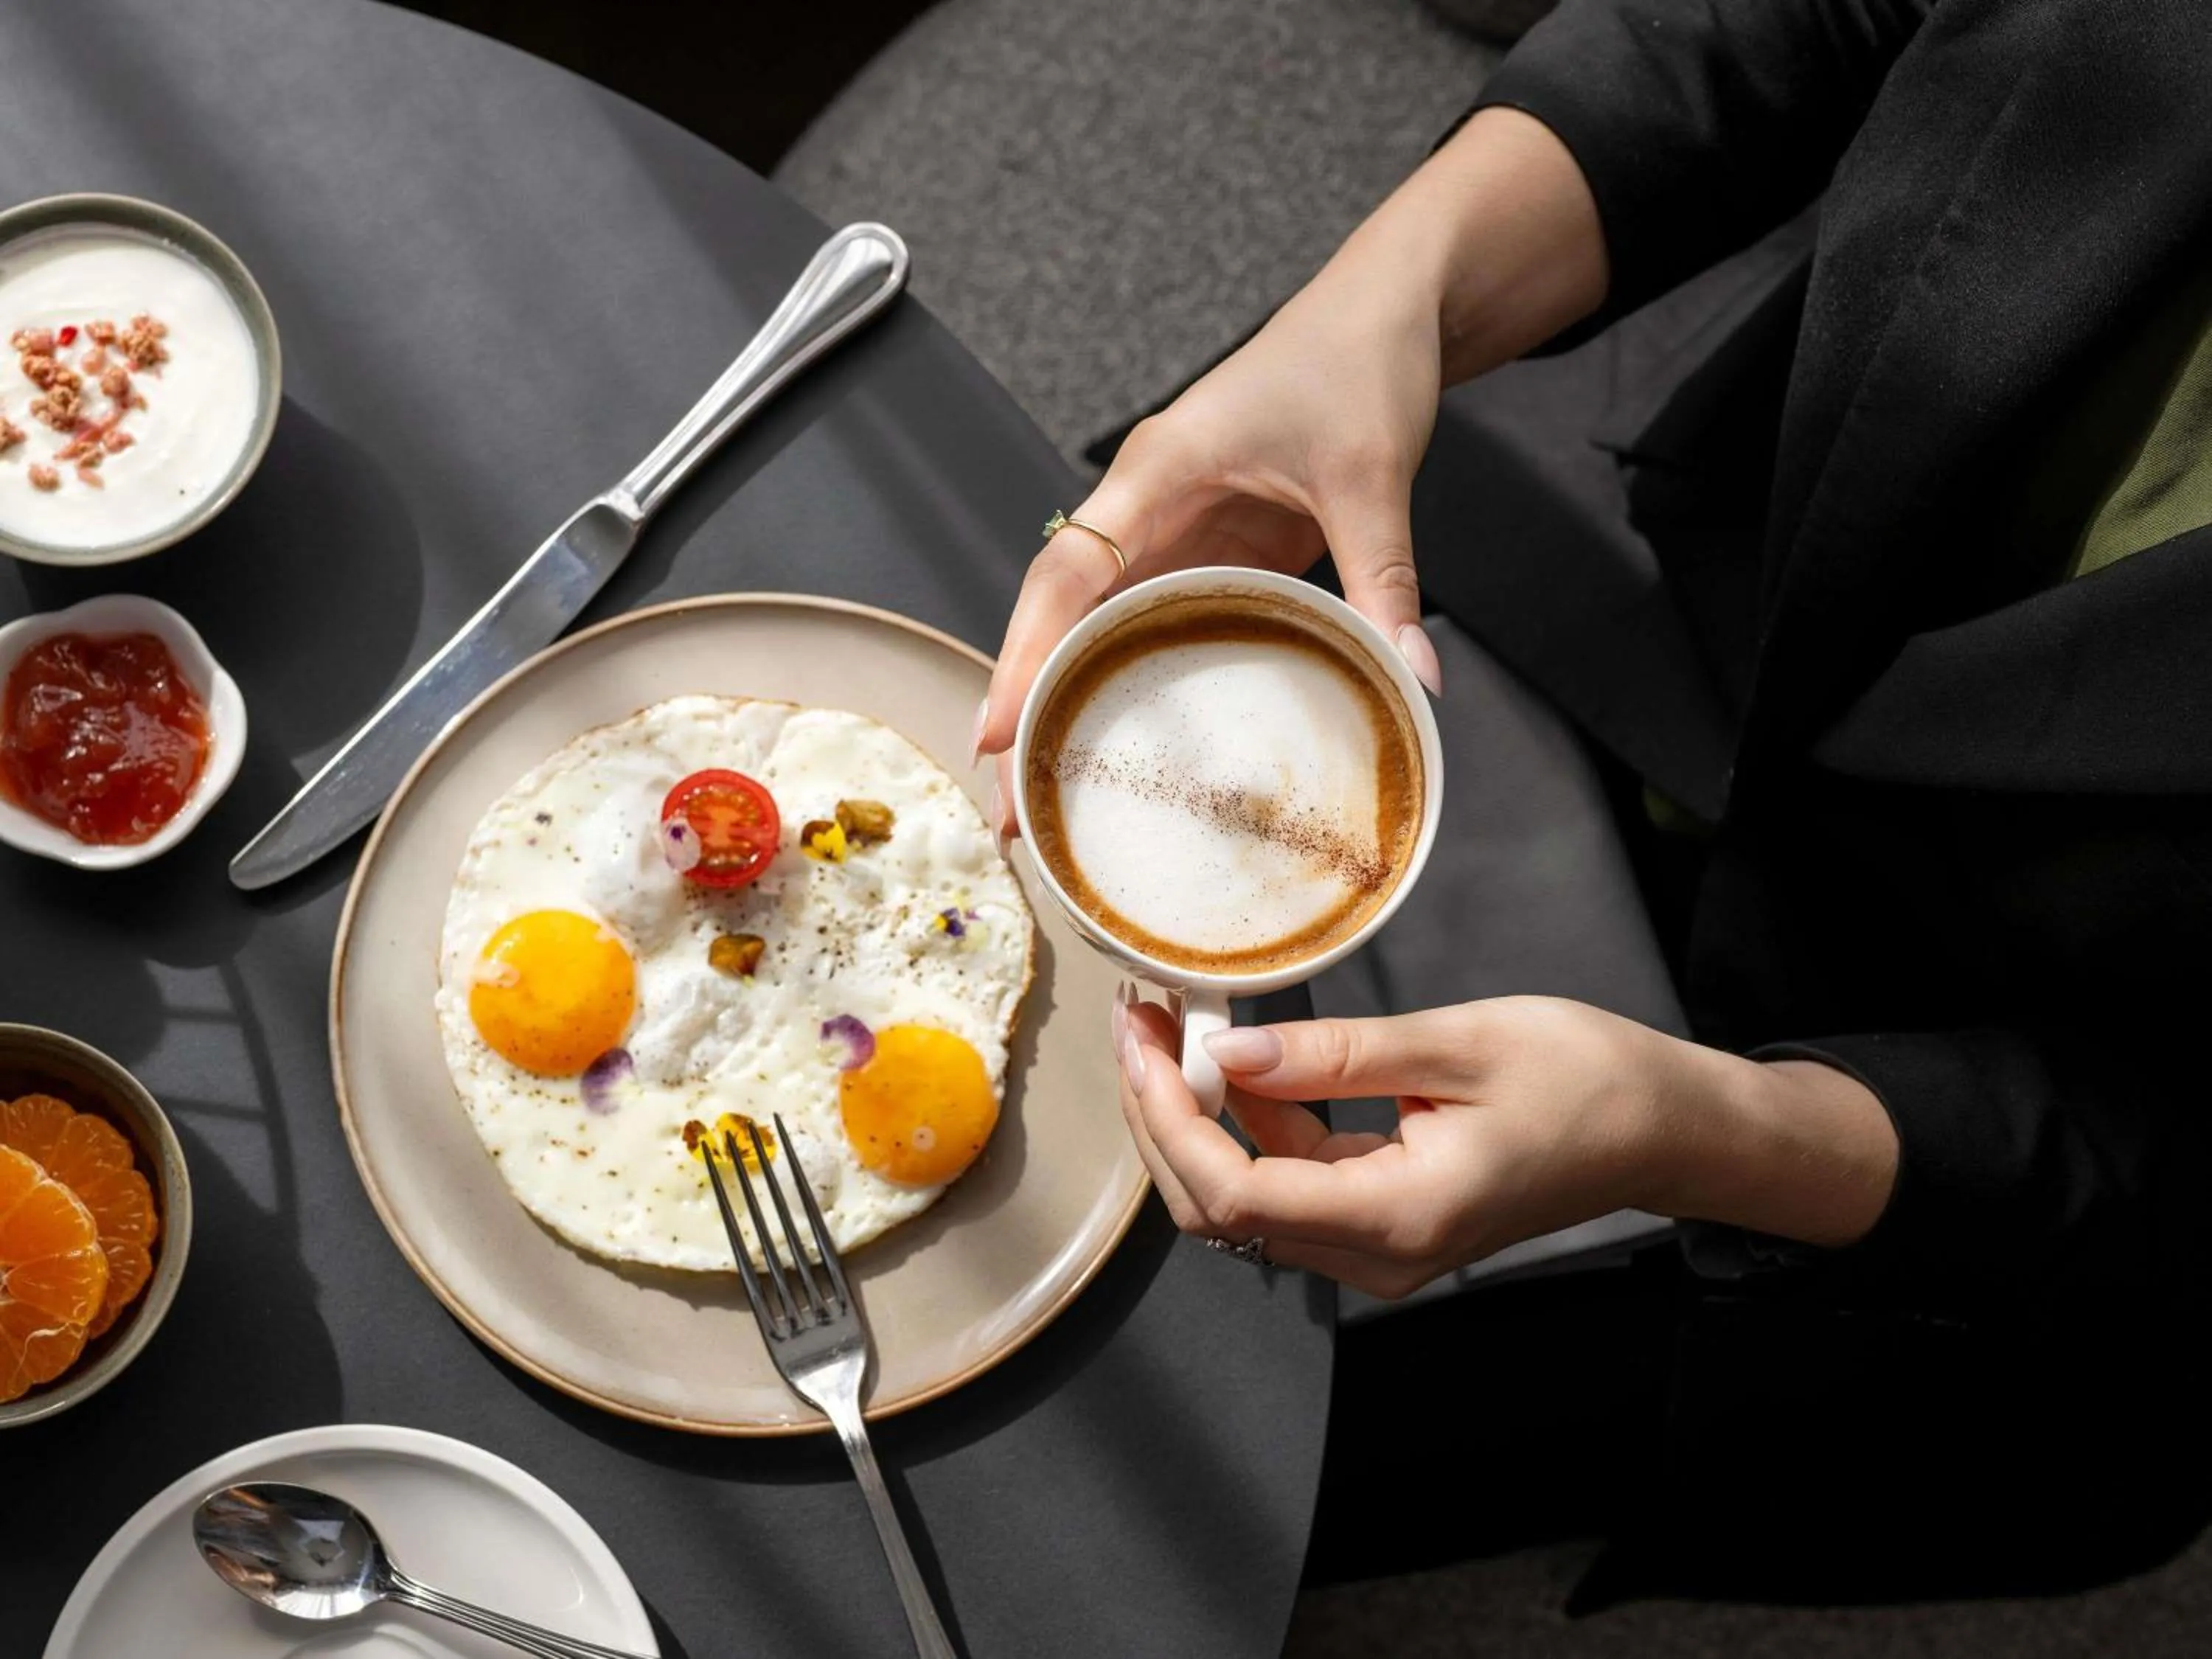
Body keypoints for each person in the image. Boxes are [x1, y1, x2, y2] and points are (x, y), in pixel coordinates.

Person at [979, 0, 2212, 1593]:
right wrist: (1395, 292)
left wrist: (1710, 1133)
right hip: (1723, 523)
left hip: (1955, 1164)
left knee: (1132, 1470)